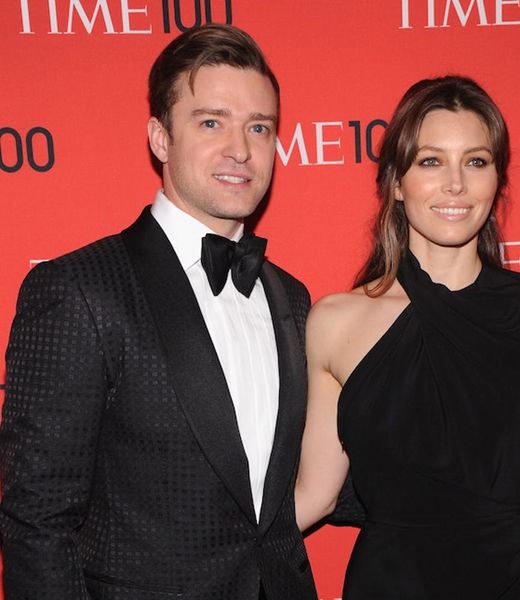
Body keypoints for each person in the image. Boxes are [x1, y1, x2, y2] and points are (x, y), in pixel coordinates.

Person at [0, 24, 317, 600]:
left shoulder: (289, 297)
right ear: (160, 138)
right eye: (211, 122)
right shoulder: (79, 290)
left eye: (259, 127)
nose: (241, 150)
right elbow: (38, 519)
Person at [295, 76, 520, 599]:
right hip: (389, 586)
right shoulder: (335, 321)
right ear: (396, 182)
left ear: (497, 179)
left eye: (476, 161)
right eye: (431, 161)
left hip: (516, 584)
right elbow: (315, 494)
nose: (456, 184)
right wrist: (201, 548)